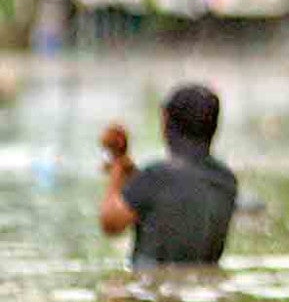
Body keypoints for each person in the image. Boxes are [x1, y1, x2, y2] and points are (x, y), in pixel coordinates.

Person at [99, 83, 239, 267]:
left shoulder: (155, 177)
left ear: (165, 121)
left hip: (152, 279)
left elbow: (110, 223)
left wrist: (117, 166)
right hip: (205, 276)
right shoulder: (226, 179)